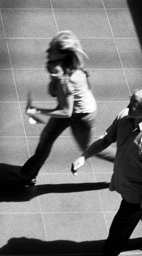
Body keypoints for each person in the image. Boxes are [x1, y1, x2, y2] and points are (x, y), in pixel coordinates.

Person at [71, 88, 142, 256]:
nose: (128, 106)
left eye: (133, 104)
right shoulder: (125, 117)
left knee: (118, 231)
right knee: (137, 214)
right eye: (130, 100)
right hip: (125, 183)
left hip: (139, 192)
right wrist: (84, 156)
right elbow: (107, 138)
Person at [12, 31, 97, 186]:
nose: (47, 51)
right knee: (45, 140)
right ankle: (27, 175)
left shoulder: (66, 79)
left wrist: (37, 111)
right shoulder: (58, 68)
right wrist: (54, 81)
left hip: (81, 115)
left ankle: (123, 158)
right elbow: (54, 93)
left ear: (61, 56)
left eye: (52, 49)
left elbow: (66, 112)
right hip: (72, 108)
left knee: (89, 148)